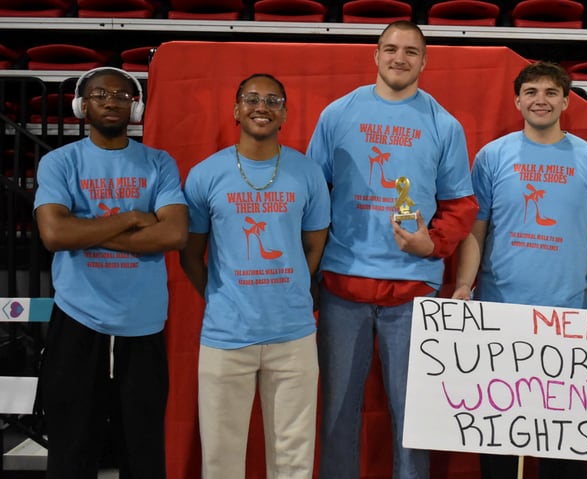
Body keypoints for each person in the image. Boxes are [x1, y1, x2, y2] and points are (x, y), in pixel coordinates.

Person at [306, 20, 479, 479]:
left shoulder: (444, 124)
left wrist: (433, 243)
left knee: (413, 419)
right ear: (375, 55)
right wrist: (308, 273)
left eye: (410, 51)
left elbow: (461, 204)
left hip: (413, 293)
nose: (399, 58)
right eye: (390, 49)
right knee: (337, 412)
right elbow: (312, 192)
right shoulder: (338, 114)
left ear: (425, 60)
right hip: (343, 285)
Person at [452, 61, 587, 479]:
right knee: (496, 443)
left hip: (567, 320)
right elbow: (475, 229)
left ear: (566, 101)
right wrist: (463, 285)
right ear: (517, 100)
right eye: (531, 92)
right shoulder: (493, 156)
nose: (540, 100)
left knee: (563, 450)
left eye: (551, 92)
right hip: (499, 316)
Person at [34, 66, 188, 478]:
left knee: (142, 452)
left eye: (122, 95)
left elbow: (173, 233)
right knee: (71, 450)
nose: (111, 101)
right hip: (77, 319)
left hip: (143, 324)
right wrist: (135, 218)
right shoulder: (58, 162)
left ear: (135, 107)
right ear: (81, 105)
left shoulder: (159, 162)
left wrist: (85, 232)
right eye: (100, 94)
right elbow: (53, 233)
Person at [179, 73, 330, 479]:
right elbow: (191, 254)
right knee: (221, 456)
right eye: (251, 98)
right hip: (226, 336)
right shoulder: (206, 174)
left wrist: (292, 285)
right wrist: (221, 295)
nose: (261, 106)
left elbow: (314, 246)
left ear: (284, 113)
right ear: (235, 110)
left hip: (293, 333)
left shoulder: (307, 172)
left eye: (272, 100)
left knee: (294, 457)